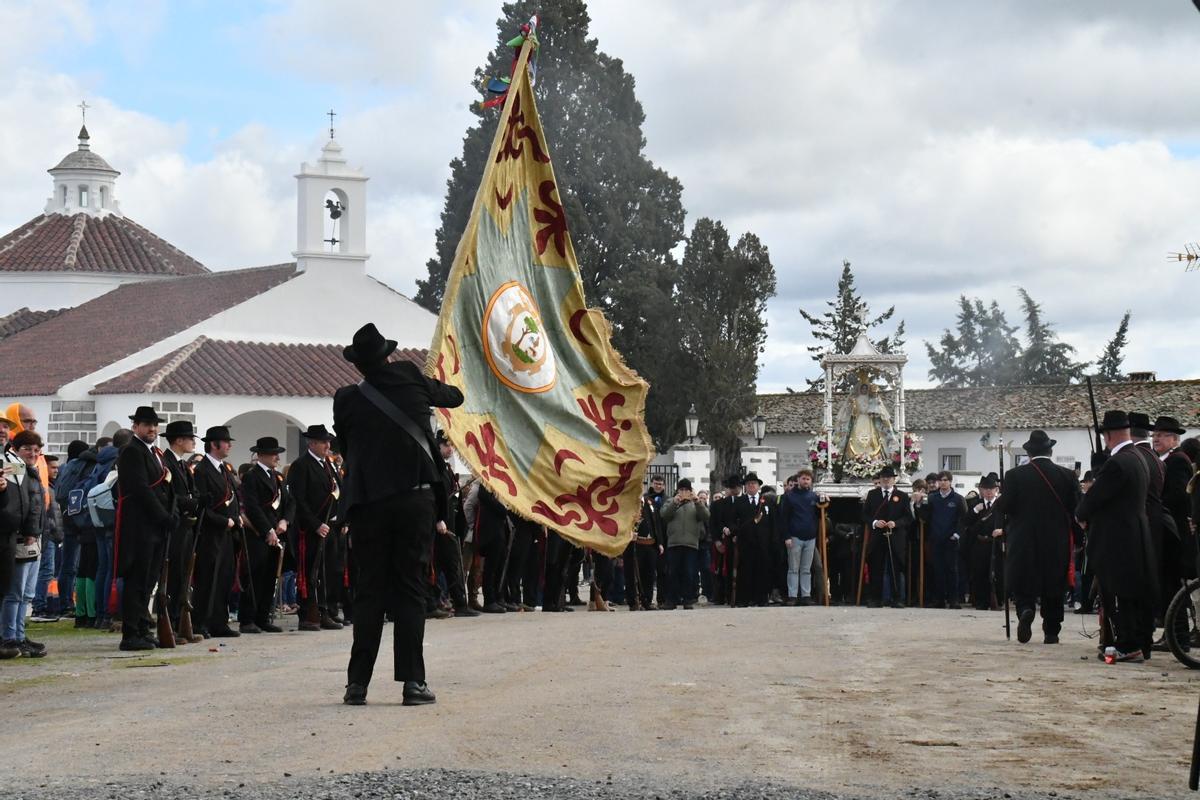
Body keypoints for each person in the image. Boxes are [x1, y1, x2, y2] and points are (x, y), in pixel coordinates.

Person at [334, 322, 463, 707]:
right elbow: (453, 397)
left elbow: (346, 442)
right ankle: (413, 683)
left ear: (360, 366)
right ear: (388, 355)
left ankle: (357, 684)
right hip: (414, 501)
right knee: (410, 589)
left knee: (369, 592)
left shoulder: (345, 398)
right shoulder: (410, 375)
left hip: (369, 504)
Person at [1077, 411, 1155, 663]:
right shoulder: (1138, 457)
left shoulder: (1118, 462)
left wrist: (1081, 512)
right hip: (1135, 532)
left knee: (1118, 593)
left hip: (1117, 538)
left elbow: (1094, 498)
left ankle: (1127, 644)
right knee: (1133, 592)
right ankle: (1139, 642)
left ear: (1108, 435)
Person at [991, 431, 1080, 644]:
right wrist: (1078, 539)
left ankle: (1025, 609)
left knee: (1023, 579)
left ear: (1029, 453)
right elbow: (1076, 509)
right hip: (1055, 540)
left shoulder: (1014, 475)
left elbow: (1004, 507)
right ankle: (1051, 630)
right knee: (1054, 584)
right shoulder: (1068, 476)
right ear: (1050, 450)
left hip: (1023, 538)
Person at [114, 407, 175, 651]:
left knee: (149, 580)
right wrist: (163, 516)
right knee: (136, 580)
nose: (151, 429)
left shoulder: (155, 453)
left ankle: (142, 627)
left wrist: (172, 514)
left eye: (154, 425)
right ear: (135, 427)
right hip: (140, 525)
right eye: (146, 424)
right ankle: (130, 633)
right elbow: (140, 489)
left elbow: (164, 489)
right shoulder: (131, 451)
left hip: (155, 526)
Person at [287, 424, 344, 631]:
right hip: (310, 529)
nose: (327, 445)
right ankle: (309, 614)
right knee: (311, 572)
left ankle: (325, 610)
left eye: (328, 441)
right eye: (323, 442)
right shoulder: (301, 465)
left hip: (330, 526)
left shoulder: (327, 465)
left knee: (329, 570)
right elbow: (299, 500)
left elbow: (338, 491)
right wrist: (316, 524)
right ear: (311, 443)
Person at [239, 437, 295, 634]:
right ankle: (247, 619)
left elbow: (289, 503)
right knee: (255, 576)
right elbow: (252, 507)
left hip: (276, 533)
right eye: (273, 454)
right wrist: (267, 530)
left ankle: (263, 617)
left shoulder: (278, 477)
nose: (277, 457)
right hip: (258, 534)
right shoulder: (252, 477)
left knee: (271, 577)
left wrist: (284, 521)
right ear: (261, 455)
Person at [1150, 415, 1195, 651]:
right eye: (1155, 435)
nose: (1156, 439)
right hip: (1166, 532)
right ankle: (1173, 635)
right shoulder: (1163, 460)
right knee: (1168, 587)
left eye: (1161, 435)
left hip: (1174, 533)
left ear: (1174, 439)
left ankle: (1179, 637)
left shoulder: (1176, 461)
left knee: (1174, 587)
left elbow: (1178, 496)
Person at [192, 426, 242, 639]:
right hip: (211, 533)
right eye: (225, 441)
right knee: (207, 579)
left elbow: (232, 497)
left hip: (227, 534)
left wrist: (236, 516)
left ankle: (219, 622)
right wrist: (224, 521)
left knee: (224, 578)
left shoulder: (224, 469)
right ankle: (201, 622)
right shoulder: (202, 470)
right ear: (214, 444)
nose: (229, 445)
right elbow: (202, 506)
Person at [1, 430, 47, 658]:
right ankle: (10, 636)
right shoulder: (13, 467)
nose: (32, 453)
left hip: (34, 535)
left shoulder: (31, 469)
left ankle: (19, 634)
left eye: (36, 450)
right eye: (27, 448)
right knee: (15, 592)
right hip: (21, 535)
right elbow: (21, 502)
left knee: (26, 593)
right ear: (15, 449)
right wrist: (28, 529)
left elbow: (38, 502)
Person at [160, 421, 203, 642]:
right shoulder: (167, 462)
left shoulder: (183, 465)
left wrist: (195, 500)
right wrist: (191, 502)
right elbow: (174, 495)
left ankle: (180, 623)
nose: (193, 442)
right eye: (189, 438)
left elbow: (192, 491)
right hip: (175, 526)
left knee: (184, 575)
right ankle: (172, 622)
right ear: (178, 440)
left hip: (187, 526)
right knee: (174, 575)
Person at [433, 431, 478, 618]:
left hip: (450, 524)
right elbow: (436, 496)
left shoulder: (445, 467)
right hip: (441, 525)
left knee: (450, 565)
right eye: (447, 445)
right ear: (439, 445)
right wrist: (438, 519)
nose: (451, 449)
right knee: (448, 565)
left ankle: (454, 602)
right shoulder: (435, 467)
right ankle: (455, 602)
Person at [861, 467, 910, 608]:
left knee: (895, 568)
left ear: (894, 479)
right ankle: (876, 598)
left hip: (895, 537)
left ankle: (897, 598)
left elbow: (908, 517)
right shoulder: (872, 494)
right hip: (877, 536)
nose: (886, 480)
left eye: (889, 477)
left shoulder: (902, 495)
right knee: (876, 567)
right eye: (883, 477)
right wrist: (875, 522)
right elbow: (864, 515)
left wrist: (896, 523)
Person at [659, 478, 710, 610]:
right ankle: (671, 600)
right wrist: (674, 503)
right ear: (677, 491)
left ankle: (688, 600)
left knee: (689, 573)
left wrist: (698, 502)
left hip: (691, 544)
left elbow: (706, 516)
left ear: (690, 491)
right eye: (681, 490)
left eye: (686, 490)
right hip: (674, 543)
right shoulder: (670, 501)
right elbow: (664, 515)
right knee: (672, 572)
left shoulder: (695, 503)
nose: (684, 492)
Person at [779, 469, 826, 606]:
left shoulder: (813, 496)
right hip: (794, 536)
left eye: (808, 479)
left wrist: (824, 499)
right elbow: (784, 518)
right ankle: (793, 595)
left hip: (810, 537)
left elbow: (820, 510)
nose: (805, 481)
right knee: (793, 568)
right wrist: (786, 536)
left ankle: (806, 595)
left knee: (806, 569)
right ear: (798, 480)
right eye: (803, 478)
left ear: (811, 481)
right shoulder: (789, 496)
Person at [919, 471, 966, 609]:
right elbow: (925, 517)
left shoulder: (958, 499)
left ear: (950, 481)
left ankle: (954, 599)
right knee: (937, 570)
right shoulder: (932, 498)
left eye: (946, 480)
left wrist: (957, 534)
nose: (943, 483)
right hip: (936, 539)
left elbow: (963, 519)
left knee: (952, 570)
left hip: (951, 539)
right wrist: (918, 505)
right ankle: (939, 599)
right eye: (941, 480)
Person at [624, 478, 664, 610]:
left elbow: (656, 524)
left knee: (649, 574)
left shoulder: (650, 502)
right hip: (635, 543)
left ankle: (647, 600)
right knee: (634, 573)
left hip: (650, 544)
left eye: (642, 487)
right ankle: (633, 601)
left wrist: (659, 542)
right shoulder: (629, 503)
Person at [965, 474, 1001, 611]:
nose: (989, 492)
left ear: (996, 489)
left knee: (996, 573)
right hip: (979, 543)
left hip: (995, 543)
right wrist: (975, 511)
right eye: (986, 489)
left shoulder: (1001, 504)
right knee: (979, 573)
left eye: (992, 489)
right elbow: (966, 523)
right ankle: (981, 601)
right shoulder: (974, 504)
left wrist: (1002, 530)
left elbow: (1010, 522)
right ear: (981, 489)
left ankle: (998, 600)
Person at [737, 472, 773, 607]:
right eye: (748, 484)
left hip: (763, 541)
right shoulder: (740, 502)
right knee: (746, 570)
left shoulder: (766, 501)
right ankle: (745, 599)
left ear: (758, 486)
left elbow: (772, 522)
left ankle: (762, 598)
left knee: (762, 570)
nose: (751, 486)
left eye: (754, 483)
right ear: (745, 487)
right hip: (746, 541)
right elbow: (736, 521)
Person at [709, 475, 744, 606]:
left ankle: (738, 597)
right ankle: (722, 596)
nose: (734, 490)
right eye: (731, 487)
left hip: (740, 541)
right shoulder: (718, 504)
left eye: (736, 487)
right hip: (724, 541)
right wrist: (717, 541)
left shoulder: (744, 501)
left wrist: (737, 533)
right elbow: (713, 524)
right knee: (722, 570)